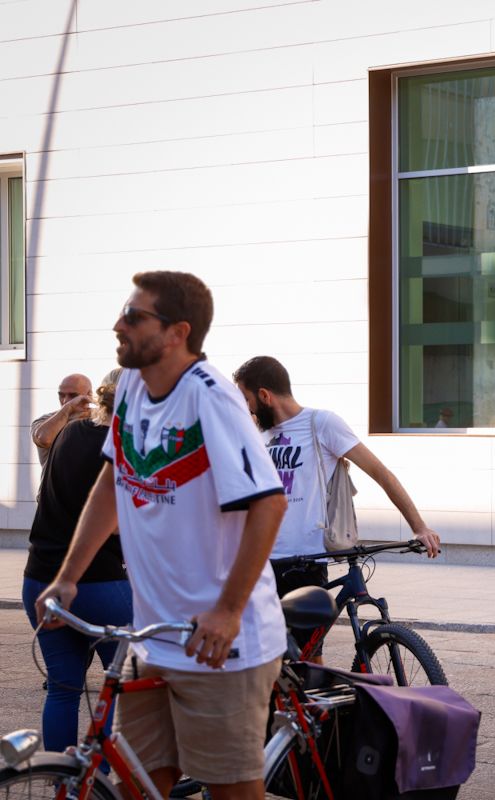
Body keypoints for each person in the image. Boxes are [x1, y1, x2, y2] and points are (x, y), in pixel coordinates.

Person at [36, 271, 288, 800]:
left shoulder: (211, 397)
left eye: (134, 316)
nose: (118, 325)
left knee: (232, 791)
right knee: (139, 786)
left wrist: (227, 612)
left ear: (177, 332)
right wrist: (68, 577)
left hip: (220, 645)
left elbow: (269, 502)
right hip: (153, 638)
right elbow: (113, 481)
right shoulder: (131, 384)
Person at [232, 355, 441, 653]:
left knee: (308, 656)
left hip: (307, 564)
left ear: (264, 396)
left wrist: (419, 526)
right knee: (264, 659)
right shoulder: (257, 435)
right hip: (262, 565)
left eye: (246, 399)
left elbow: (380, 472)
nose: (246, 408)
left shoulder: (321, 423)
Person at [22, 368, 132, 754]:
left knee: (63, 687)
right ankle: (104, 776)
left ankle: (66, 780)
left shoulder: (69, 433)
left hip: (40, 577)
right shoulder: (125, 443)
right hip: (98, 582)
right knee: (126, 683)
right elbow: (117, 525)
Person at [30, 373, 94, 467]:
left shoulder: (99, 418)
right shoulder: (45, 420)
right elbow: (45, 439)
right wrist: (68, 408)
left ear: (89, 395)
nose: (65, 401)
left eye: (73, 396)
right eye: (61, 395)